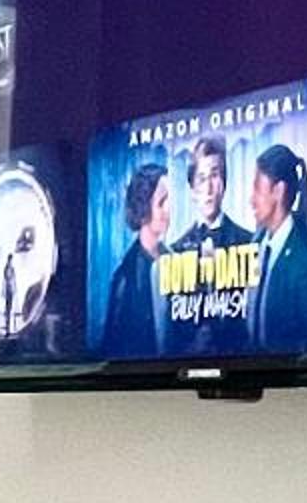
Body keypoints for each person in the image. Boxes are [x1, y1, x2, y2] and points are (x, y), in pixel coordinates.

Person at [168, 132, 254, 353]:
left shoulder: (250, 243)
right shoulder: (175, 252)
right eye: (201, 178)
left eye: (214, 176)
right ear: (192, 190)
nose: (207, 189)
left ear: (224, 183)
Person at [246, 142, 307, 353]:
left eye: (257, 188)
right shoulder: (255, 245)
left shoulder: (305, 259)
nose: (251, 200)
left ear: (278, 191)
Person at [99, 160, 171, 357]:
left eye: (169, 200)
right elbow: (112, 352)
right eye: (161, 202)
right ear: (143, 207)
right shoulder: (125, 278)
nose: (169, 209)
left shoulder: (176, 259)